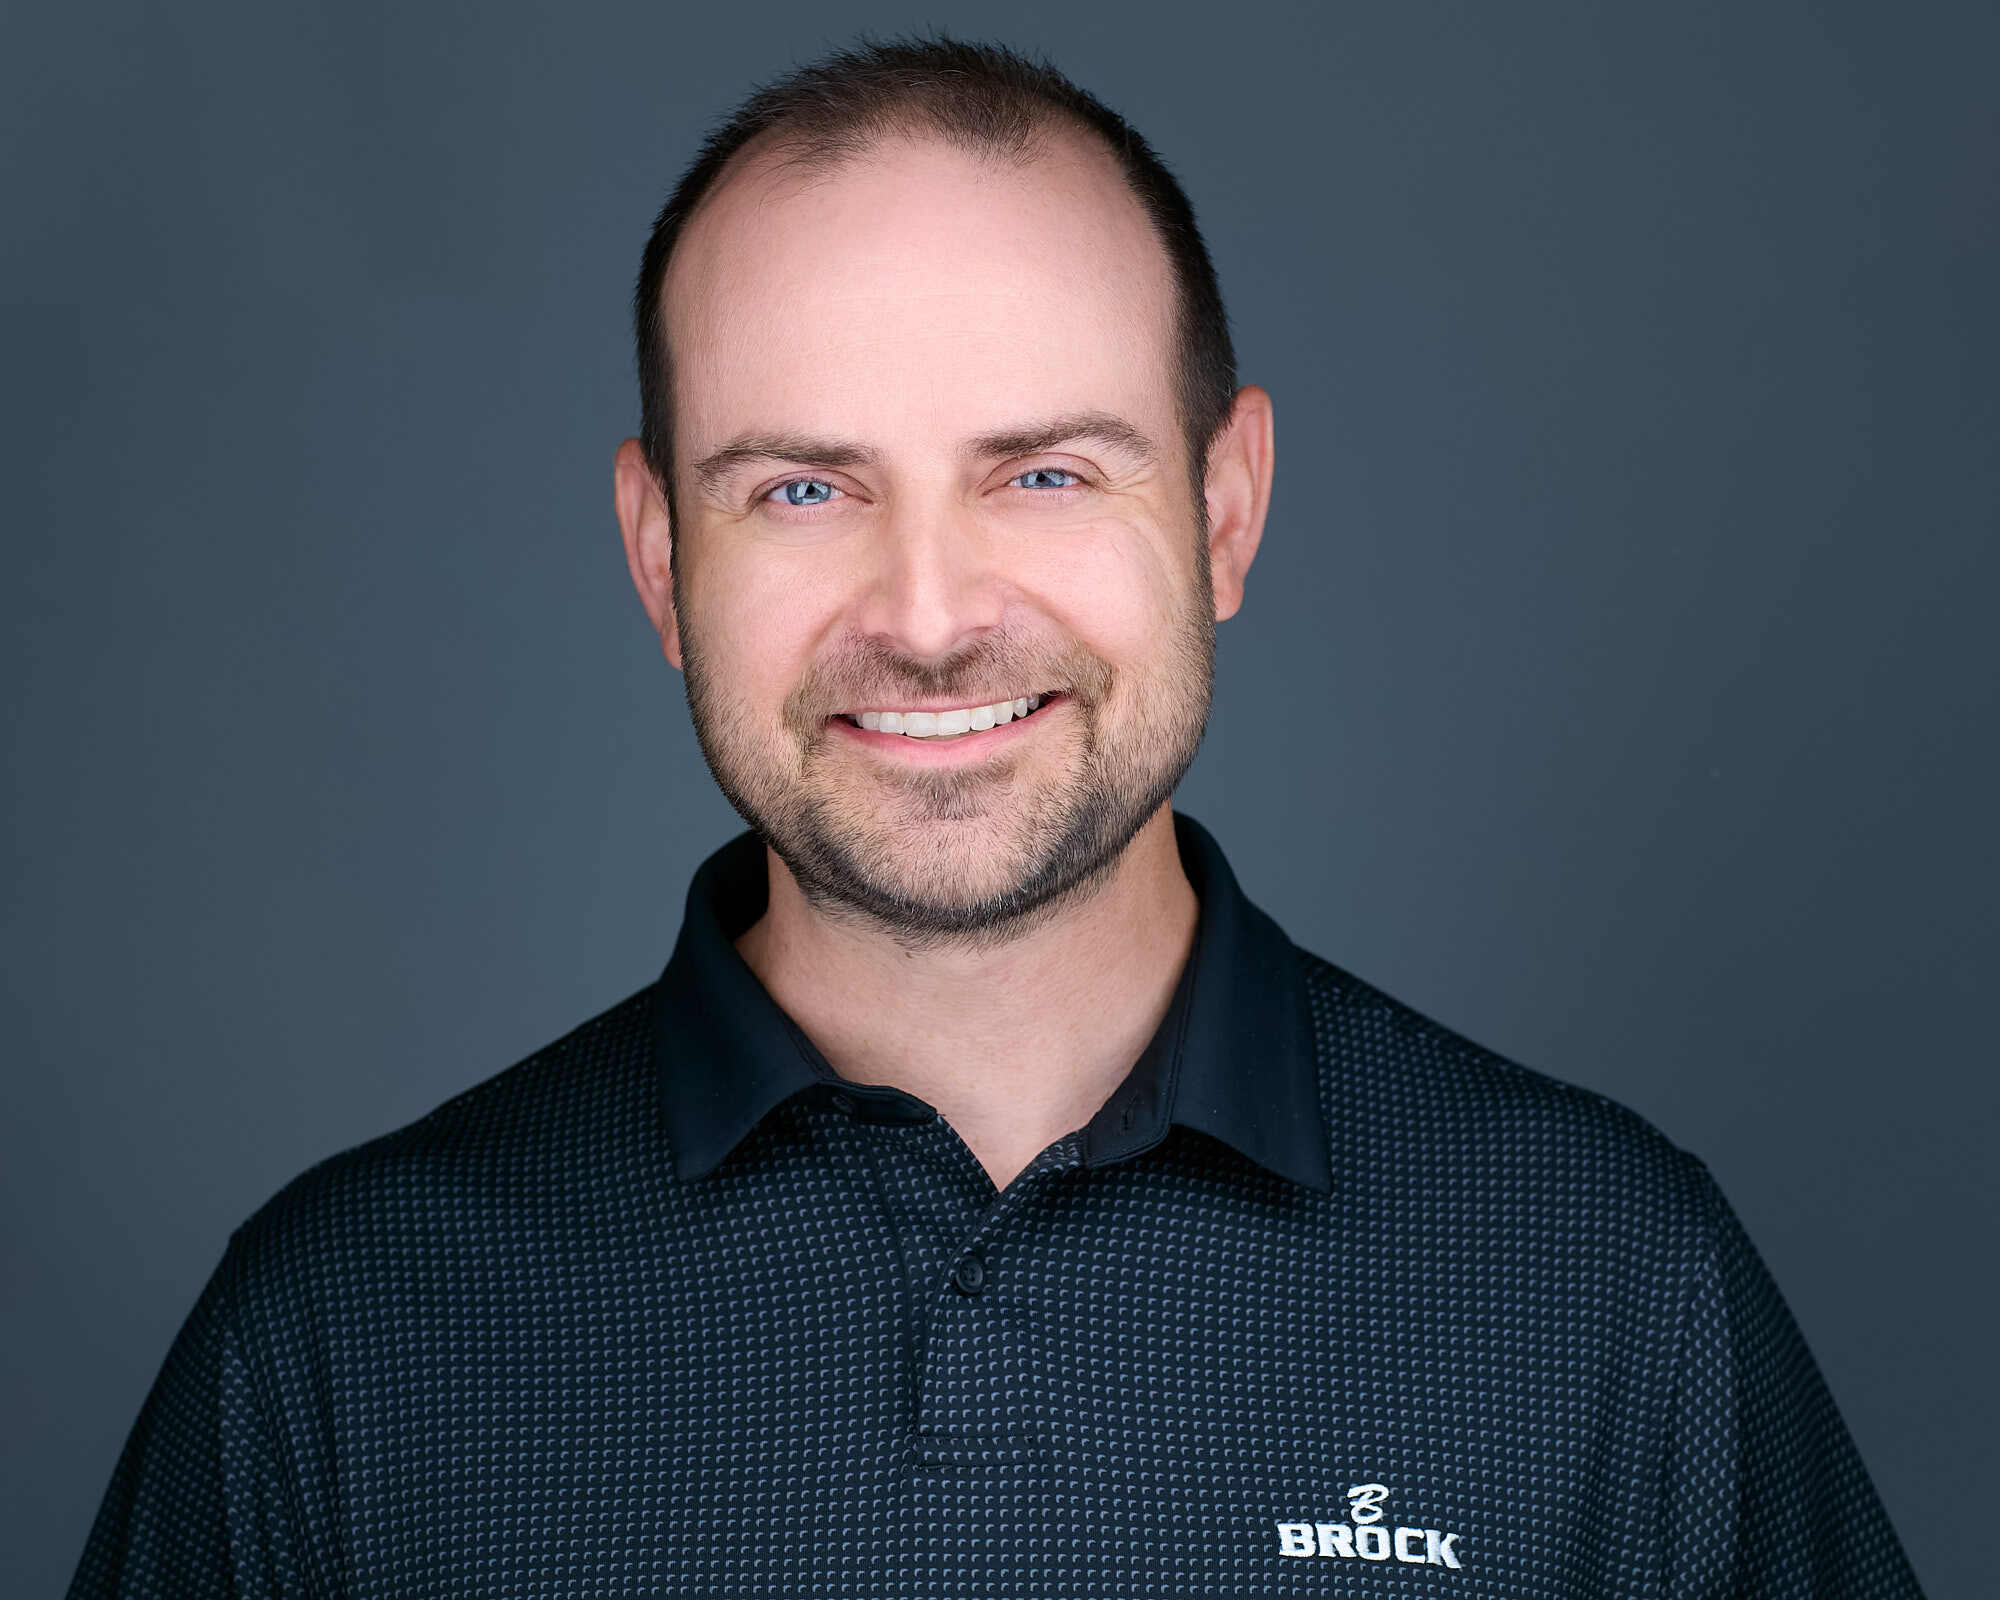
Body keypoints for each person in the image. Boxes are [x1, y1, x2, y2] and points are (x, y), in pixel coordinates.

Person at [68, 36, 1922, 1598]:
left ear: (1226, 509)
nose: (931, 611)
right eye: (803, 490)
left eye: (1041, 471)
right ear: (657, 556)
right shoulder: (340, 1338)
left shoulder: (1606, 1285)